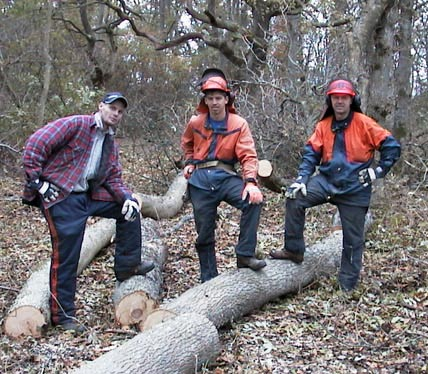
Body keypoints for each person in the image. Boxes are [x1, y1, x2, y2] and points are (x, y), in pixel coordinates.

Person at [22, 92, 155, 333]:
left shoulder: (110, 142)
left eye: (120, 111)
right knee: (67, 255)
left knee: (129, 211)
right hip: (61, 196)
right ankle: (63, 316)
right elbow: (35, 143)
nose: (116, 113)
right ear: (101, 106)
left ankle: (128, 266)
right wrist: (37, 182)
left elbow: (113, 177)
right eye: (112, 108)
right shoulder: (76, 125)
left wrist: (126, 198)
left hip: (88, 194)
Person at [270, 78, 401, 292]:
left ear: (351, 100)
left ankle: (347, 284)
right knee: (295, 197)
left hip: (355, 186)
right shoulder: (323, 126)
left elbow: (392, 147)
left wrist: (377, 171)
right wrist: (302, 178)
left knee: (353, 237)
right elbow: (311, 154)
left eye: (344, 98)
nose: (339, 102)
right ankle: (293, 249)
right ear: (330, 100)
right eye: (336, 98)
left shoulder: (364, 123)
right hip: (327, 180)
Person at [181, 68, 266, 283]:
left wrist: (250, 182)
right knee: (204, 231)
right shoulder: (196, 122)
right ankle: (208, 277)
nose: (215, 102)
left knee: (252, 202)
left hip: (226, 176)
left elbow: (248, 155)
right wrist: (190, 161)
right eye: (210, 98)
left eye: (219, 97)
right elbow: (187, 143)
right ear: (205, 101)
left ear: (227, 99)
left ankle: (245, 254)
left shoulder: (239, 124)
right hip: (200, 180)